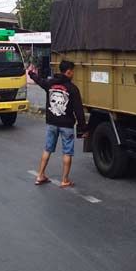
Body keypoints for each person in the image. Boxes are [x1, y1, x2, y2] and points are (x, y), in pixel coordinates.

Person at [29, 60, 87, 188]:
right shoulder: (73, 89)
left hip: (51, 123)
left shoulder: (50, 84)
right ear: (68, 72)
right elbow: (79, 111)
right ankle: (65, 180)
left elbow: (40, 81)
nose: (73, 74)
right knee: (67, 152)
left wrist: (32, 74)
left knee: (47, 149)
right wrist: (83, 129)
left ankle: (40, 175)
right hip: (66, 125)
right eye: (73, 72)